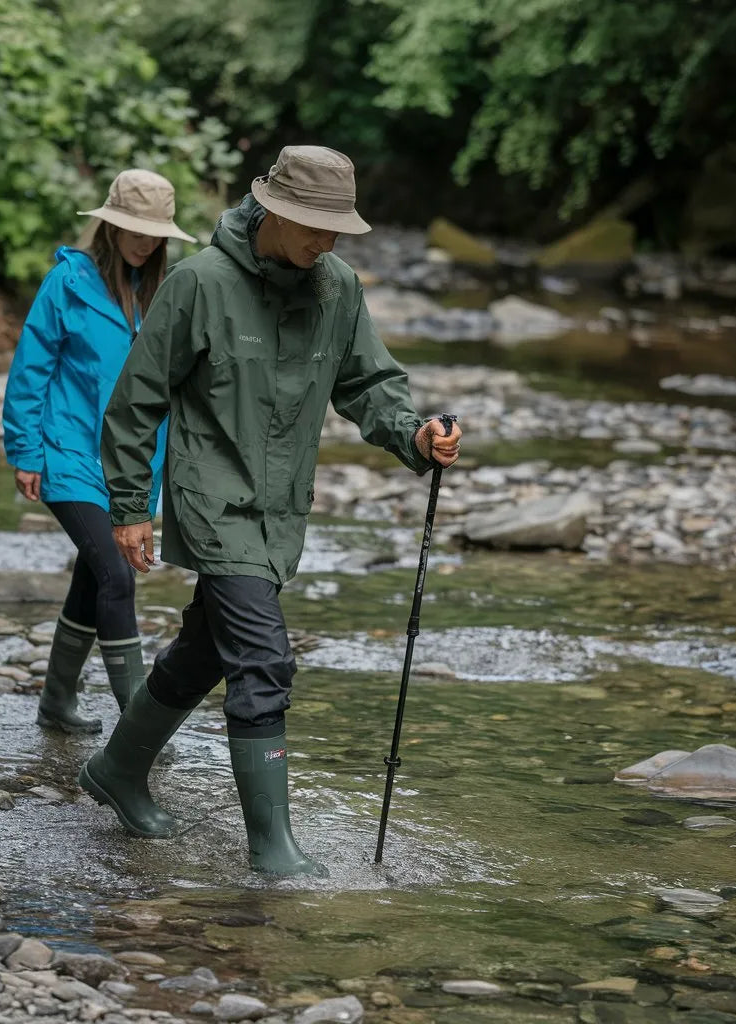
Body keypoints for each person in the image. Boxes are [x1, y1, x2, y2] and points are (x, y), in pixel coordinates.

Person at [80, 145, 462, 876]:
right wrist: (129, 506)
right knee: (262, 659)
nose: (328, 240)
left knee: (206, 649)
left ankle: (116, 770)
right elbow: (135, 403)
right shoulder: (198, 284)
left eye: (338, 228)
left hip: (282, 511)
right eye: (315, 225)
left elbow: (369, 384)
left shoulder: (338, 288)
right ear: (274, 211)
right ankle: (272, 851)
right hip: (211, 499)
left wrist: (415, 436)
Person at [1, 169, 195, 734]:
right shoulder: (68, 281)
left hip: (131, 466)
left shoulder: (167, 291)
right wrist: (25, 450)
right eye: (135, 230)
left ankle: (55, 703)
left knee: (93, 575)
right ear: (110, 226)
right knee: (116, 575)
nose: (146, 242)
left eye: (155, 233)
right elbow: (31, 368)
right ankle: (139, 725)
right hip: (66, 452)